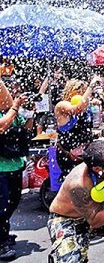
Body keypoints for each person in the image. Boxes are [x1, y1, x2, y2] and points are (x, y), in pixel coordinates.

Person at [0, 79, 32, 260]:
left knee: (12, 203)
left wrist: (30, 112)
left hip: (14, 165)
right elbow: (2, 126)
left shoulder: (9, 111)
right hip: (1, 169)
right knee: (1, 207)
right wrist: (15, 107)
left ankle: (3, 234)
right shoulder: (8, 112)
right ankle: (2, 242)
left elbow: (25, 129)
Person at [54, 76, 101, 182]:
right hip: (68, 153)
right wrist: (91, 86)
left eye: (84, 91)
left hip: (84, 152)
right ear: (71, 91)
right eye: (81, 91)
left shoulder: (86, 105)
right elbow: (78, 109)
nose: (84, 94)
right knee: (74, 183)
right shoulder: (62, 105)